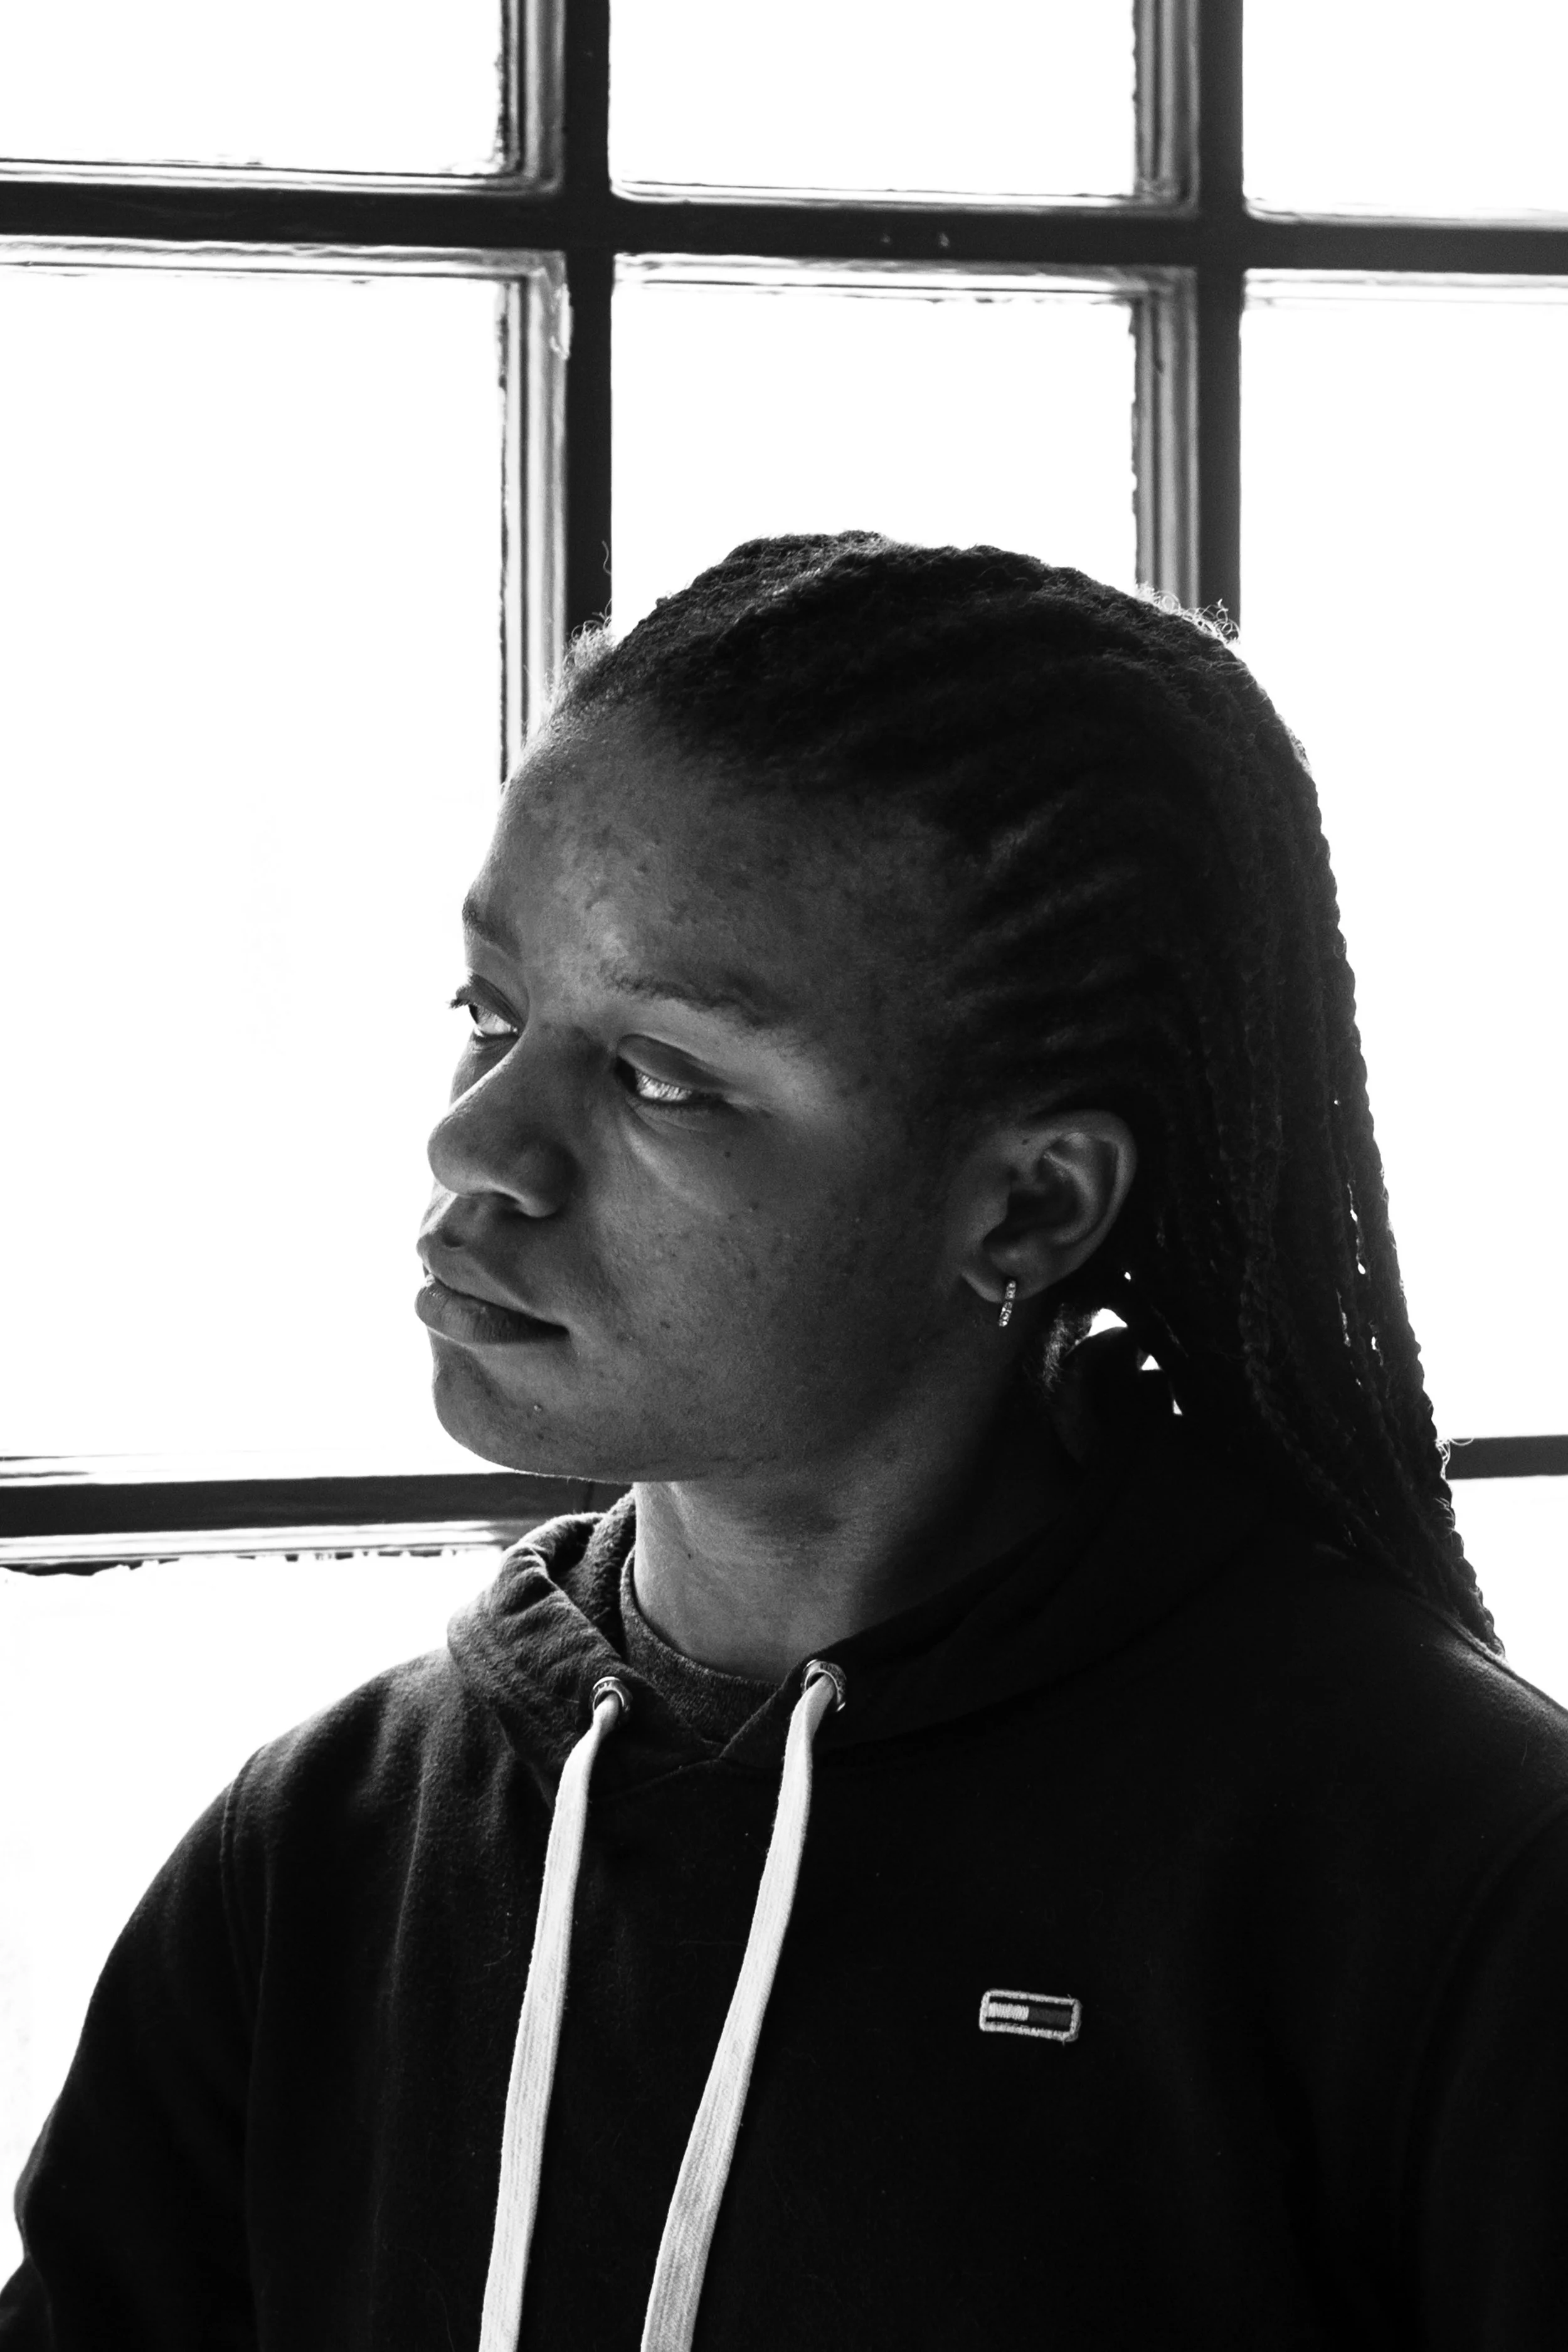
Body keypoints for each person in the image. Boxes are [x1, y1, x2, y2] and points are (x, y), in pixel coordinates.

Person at [4, 534, 1565, 2350]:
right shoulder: (323, 1852)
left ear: (1029, 1201)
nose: (478, 1144)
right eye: (490, 1013)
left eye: (661, 1076)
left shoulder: (1455, 1882)